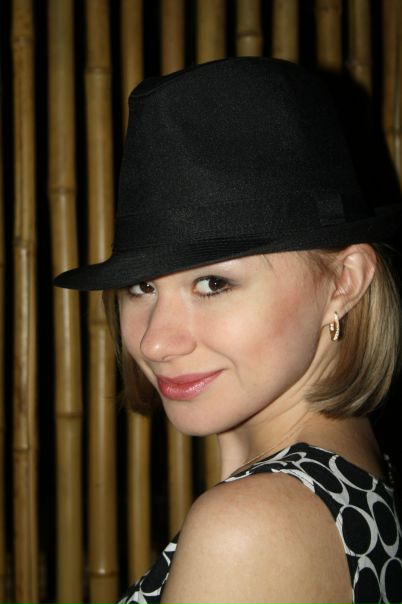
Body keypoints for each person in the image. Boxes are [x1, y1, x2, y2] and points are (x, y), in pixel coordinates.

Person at [55, 57, 402, 603]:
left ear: (344, 282)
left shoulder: (249, 529)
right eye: (142, 286)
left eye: (213, 283)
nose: (154, 342)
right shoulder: (360, 484)